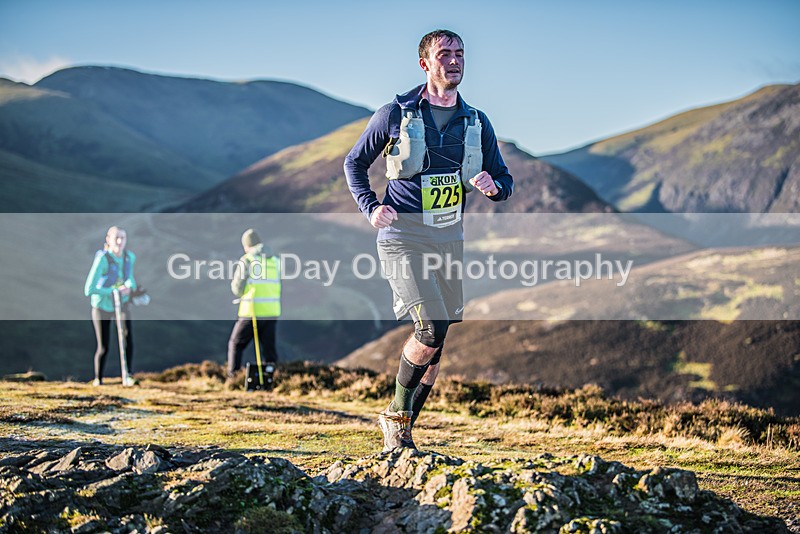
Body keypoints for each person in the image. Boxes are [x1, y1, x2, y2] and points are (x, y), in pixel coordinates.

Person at [344, 29, 513, 452]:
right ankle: (394, 417)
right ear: (426, 63)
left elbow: (504, 179)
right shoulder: (395, 113)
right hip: (402, 236)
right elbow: (355, 163)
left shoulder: (476, 120)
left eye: (460, 53)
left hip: (448, 239)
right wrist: (370, 207)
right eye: (444, 54)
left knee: (436, 351)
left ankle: (401, 436)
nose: (454, 60)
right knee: (430, 327)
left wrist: (494, 187)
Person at [84, 226, 137, 386]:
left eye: (123, 238)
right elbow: (89, 289)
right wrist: (114, 290)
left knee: (127, 339)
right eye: (117, 238)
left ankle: (127, 376)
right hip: (102, 306)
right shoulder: (102, 259)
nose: (120, 241)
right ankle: (98, 379)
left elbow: (130, 279)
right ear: (108, 239)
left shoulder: (129, 257)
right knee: (104, 345)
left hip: (120, 304)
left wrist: (129, 287)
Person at [227, 229, 280, 379]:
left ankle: (233, 379)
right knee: (269, 351)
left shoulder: (248, 259)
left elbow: (236, 288)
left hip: (252, 310)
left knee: (236, 344)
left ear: (247, 245)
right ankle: (272, 379)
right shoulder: (275, 260)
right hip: (272, 311)